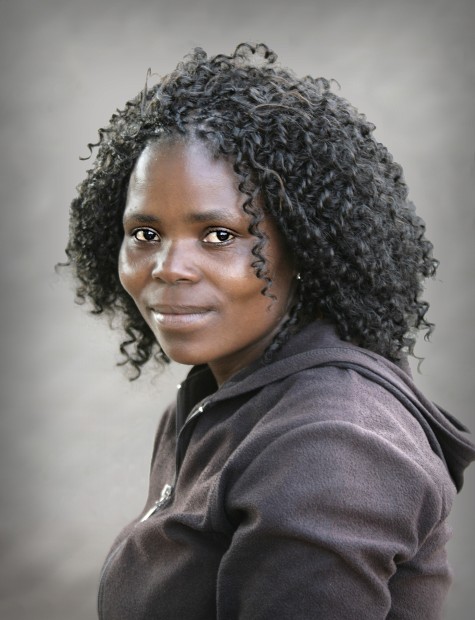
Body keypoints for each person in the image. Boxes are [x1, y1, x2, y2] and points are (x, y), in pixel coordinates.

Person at [65, 43, 475, 619]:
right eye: (145, 234)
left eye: (219, 235)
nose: (168, 267)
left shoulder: (329, 446)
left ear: (303, 247)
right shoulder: (218, 401)